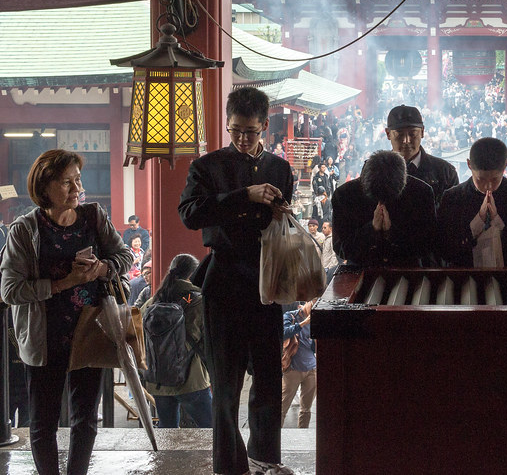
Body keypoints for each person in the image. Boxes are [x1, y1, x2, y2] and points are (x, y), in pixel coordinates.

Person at [178, 86, 295, 475]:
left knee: (267, 378)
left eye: (251, 131)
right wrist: (244, 195)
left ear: (265, 125)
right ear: (227, 125)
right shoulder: (207, 166)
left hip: (267, 281)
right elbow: (190, 214)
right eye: (236, 131)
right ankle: (229, 465)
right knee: (225, 384)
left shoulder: (280, 168)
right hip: (225, 279)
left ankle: (265, 458)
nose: (243, 139)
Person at [0, 149, 133, 475]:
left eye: (78, 180)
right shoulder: (25, 231)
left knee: (85, 419)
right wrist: (64, 282)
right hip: (45, 338)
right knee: (43, 422)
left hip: (91, 331)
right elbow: (9, 290)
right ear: (45, 188)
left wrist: (101, 268)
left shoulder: (94, 217)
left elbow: (124, 257)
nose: (76, 188)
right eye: (66, 182)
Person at [439, 137, 507, 267]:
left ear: (505, 165)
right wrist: (477, 222)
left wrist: (497, 222)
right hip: (464, 276)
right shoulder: (453, 198)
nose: (488, 186)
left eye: (495, 179)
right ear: (469, 165)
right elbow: (444, 252)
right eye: (481, 179)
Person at [140, 253, 212, 429]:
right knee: (211, 428)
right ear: (192, 274)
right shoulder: (197, 301)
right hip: (190, 379)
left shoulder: (152, 302)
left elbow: (139, 335)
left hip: (158, 380)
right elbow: (208, 342)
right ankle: (215, 458)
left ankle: (166, 457)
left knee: (167, 430)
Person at [332, 150, 439, 268]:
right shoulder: (345, 195)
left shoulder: (421, 193)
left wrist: (392, 232)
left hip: (407, 269)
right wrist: (371, 229)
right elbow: (341, 249)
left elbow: (428, 245)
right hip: (361, 270)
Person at [386, 104, 458, 211]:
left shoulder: (445, 172)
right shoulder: (375, 170)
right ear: (388, 134)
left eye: (412, 134)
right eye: (399, 135)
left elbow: (453, 219)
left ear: (422, 132)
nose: (406, 140)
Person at [281, 301, 316, 429]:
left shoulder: (316, 319)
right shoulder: (291, 316)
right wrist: (303, 323)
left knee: (306, 409)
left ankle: (302, 436)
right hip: (293, 369)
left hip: (311, 369)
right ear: (307, 303)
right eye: (312, 305)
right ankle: (276, 440)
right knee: (282, 407)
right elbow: (283, 333)